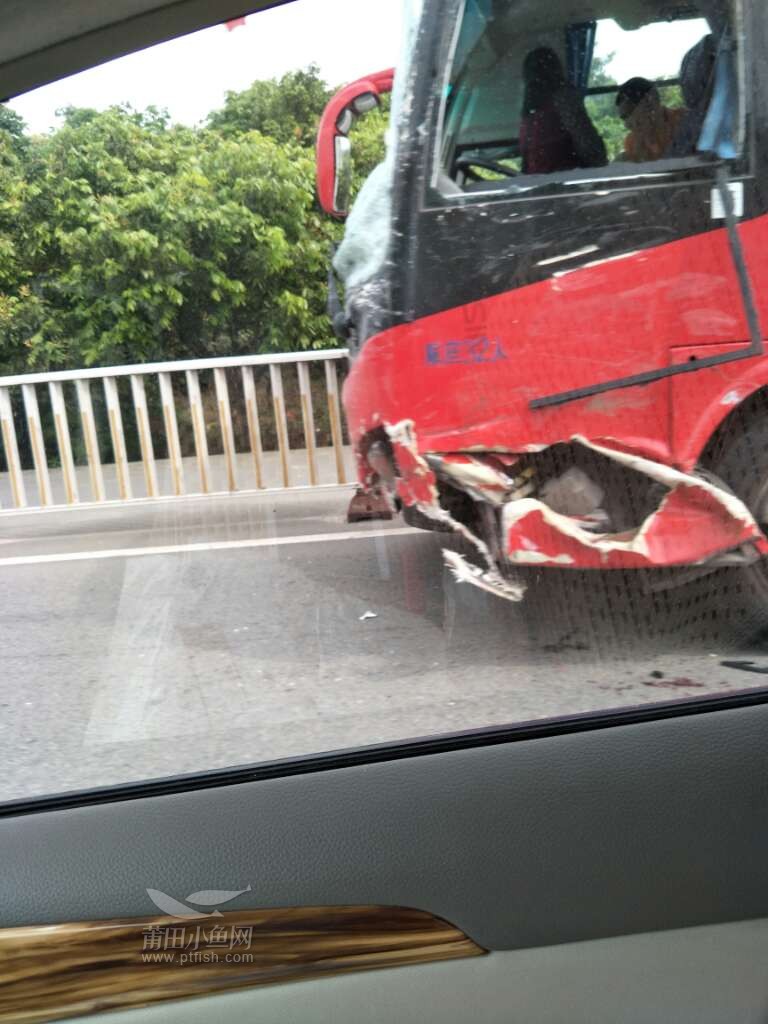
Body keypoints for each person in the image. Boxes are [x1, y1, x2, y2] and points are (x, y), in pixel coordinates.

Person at [519, 47, 606, 175]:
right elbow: (589, 146)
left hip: (540, 184)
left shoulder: (528, 115)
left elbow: (526, 165)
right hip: (569, 179)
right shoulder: (562, 98)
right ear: (556, 70)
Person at [615, 77, 685, 162]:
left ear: (649, 102)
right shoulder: (632, 142)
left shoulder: (685, 120)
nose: (627, 124)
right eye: (624, 118)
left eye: (629, 114)